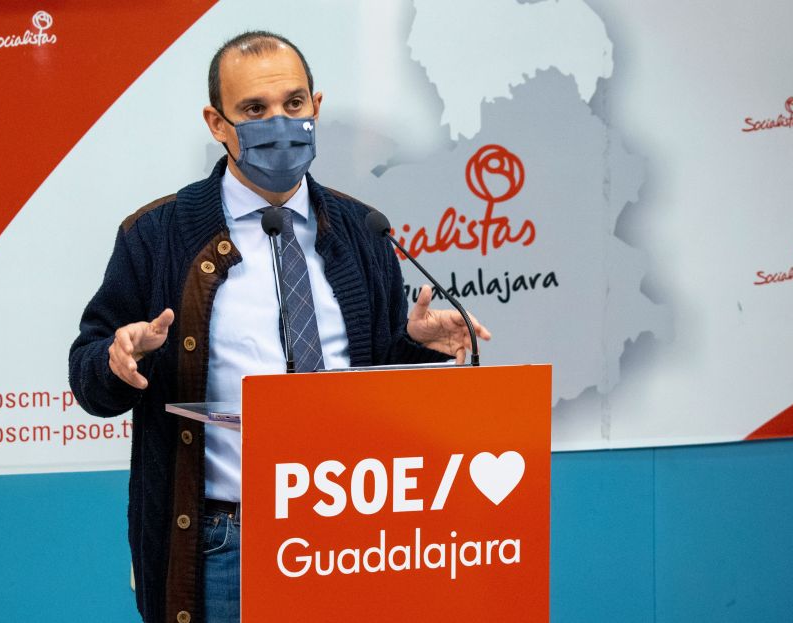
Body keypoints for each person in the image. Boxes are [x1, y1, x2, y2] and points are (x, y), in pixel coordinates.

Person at [69, 30, 491, 623]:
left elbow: (376, 388)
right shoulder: (157, 235)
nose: (280, 123)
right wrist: (117, 362)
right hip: (224, 546)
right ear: (217, 124)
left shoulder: (362, 230)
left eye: (294, 104)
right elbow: (90, 373)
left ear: (317, 106)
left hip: (356, 538)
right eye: (254, 110)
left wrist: (415, 348)